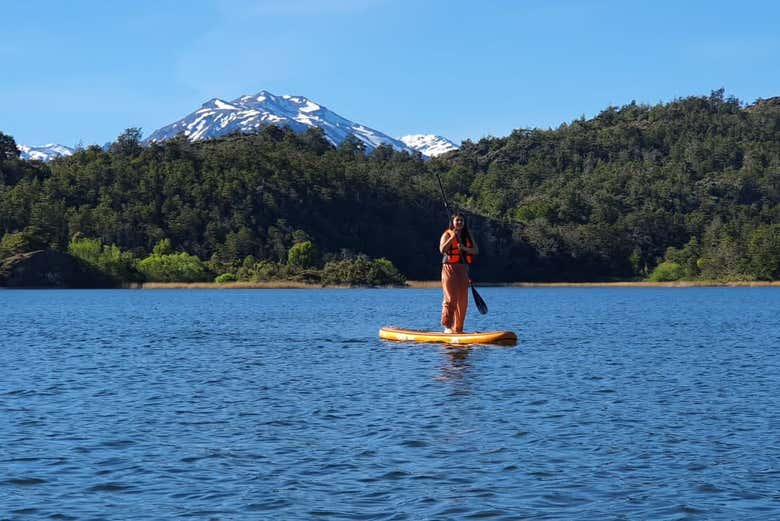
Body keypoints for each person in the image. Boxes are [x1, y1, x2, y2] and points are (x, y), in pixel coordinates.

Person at [439, 213, 479, 333]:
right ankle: (447, 326)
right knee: (451, 298)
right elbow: (442, 249)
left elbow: (476, 250)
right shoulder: (447, 234)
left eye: (462, 221)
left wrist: (464, 248)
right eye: (457, 220)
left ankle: (458, 329)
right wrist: (452, 238)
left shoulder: (467, 235)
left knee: (463, 301)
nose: (460, 223)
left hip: (462, 269)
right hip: (449, 268)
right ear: (453, 222)